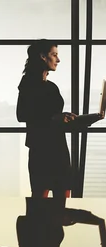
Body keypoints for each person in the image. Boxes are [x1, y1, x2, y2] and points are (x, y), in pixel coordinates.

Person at [16, 39, 100, 198]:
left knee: (61, 203)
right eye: (54, 55)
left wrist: (88, 119)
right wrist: (54, 118)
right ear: (42, 56)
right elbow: (22, 114)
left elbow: (55, 121)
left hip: (58, 150)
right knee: (41, 204)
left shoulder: (51, 87)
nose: (58, 60)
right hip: (41, 151)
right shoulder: (28, 83)